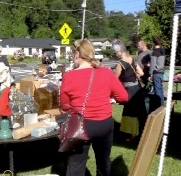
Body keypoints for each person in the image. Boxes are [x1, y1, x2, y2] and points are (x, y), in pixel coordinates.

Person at [60, 39, 128, 176]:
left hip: (80, 124)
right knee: (103, 162)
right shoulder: (106, 73)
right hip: (104, 124)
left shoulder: (69, 76)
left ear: (77, 54)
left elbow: (64, 106)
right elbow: (123, 97)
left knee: (76, 165)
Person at [112, 39, 147, 141]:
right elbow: (141, 73)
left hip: (129, 90)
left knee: (130, 112)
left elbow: (115, 79)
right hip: (137, 88)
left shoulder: (120, 63)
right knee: (139, 110)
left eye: (116, 52)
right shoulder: (131, 59)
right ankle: (140, 132)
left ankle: (131, 134)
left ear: (120, 51)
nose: (115, 54)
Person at [149, 38, 165, 106]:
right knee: (160, 89)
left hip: (156, 72)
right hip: (161, 72)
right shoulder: (162, 51)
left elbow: (153, 64)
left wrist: (151, 74)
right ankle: (162, 103)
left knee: (157, 89)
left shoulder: (154, 52)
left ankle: (159, 105)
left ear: (153, 43)